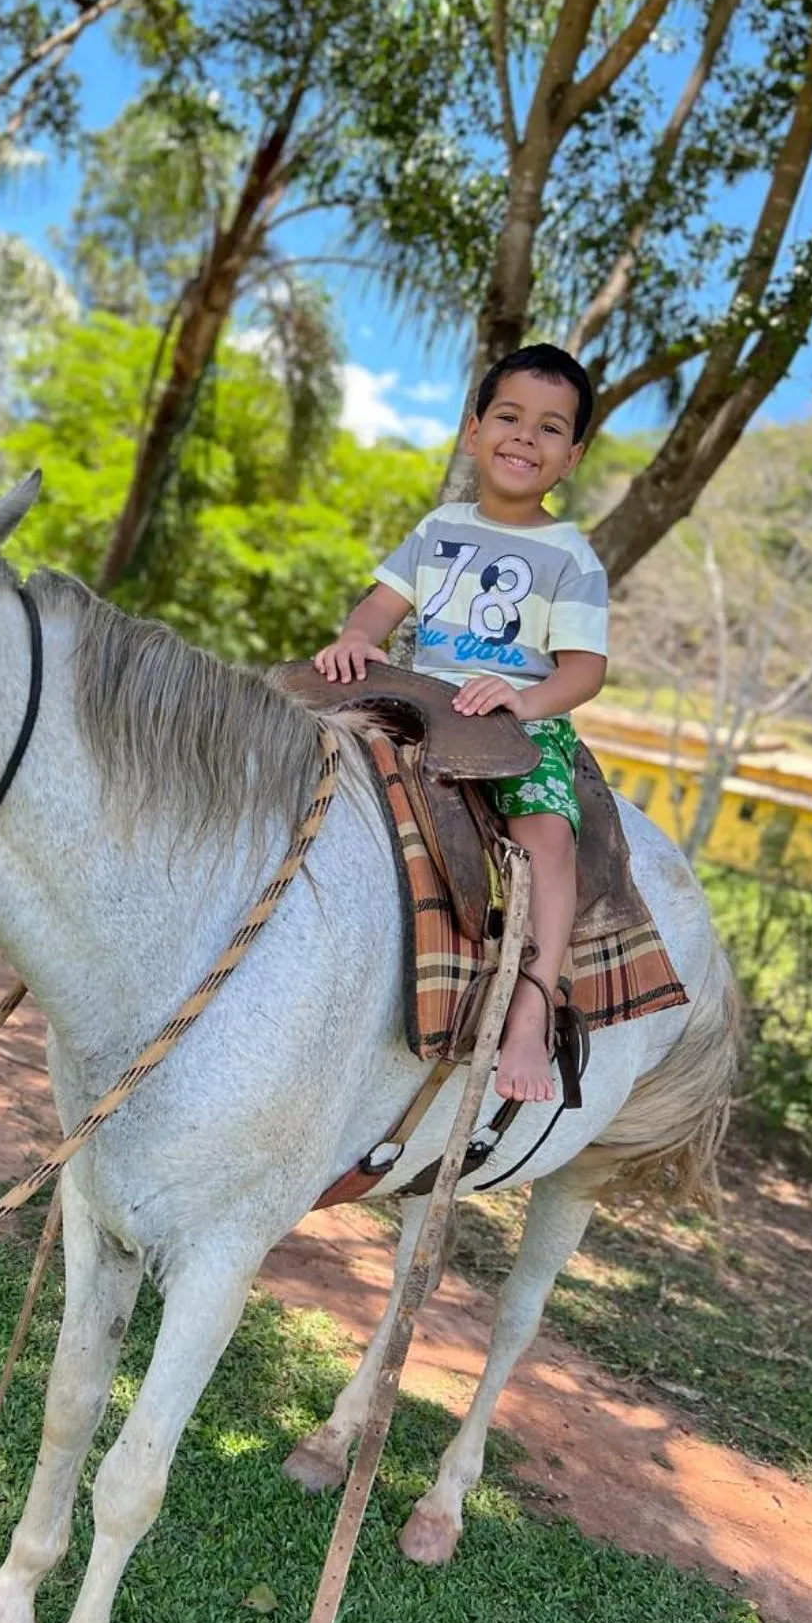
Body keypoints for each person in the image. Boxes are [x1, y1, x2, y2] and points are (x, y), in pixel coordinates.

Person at [313, 343, 608, 1102]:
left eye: (549, 428)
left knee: (548, 836)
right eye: (508, 417)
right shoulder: (439, 525)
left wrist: (527, 701)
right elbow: (383, 604)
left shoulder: (571, 556)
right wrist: (356, 637)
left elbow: (583, 668)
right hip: (421, 694)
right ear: (472, 431)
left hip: (515, 717)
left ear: (571, 457)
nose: (524, 438)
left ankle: (531, 1013)